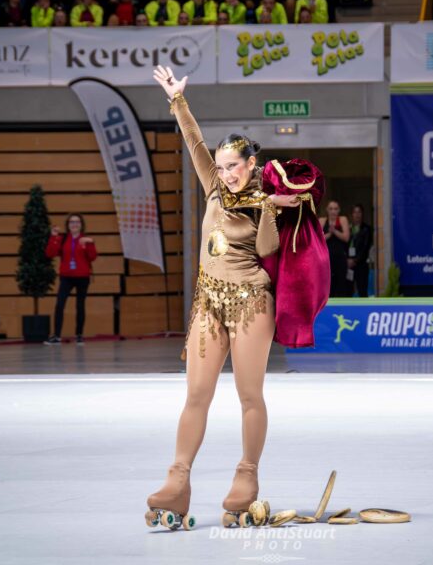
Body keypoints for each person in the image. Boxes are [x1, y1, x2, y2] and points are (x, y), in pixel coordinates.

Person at [145, 64, 304, 530]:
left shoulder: (264, 201)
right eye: (221, 165)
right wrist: (177, 99)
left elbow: (267, 252)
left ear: (250, 164)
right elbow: (194, 140)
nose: (225, 172)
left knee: (249, 394)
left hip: (252, 301)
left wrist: (270, 208)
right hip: (208, 301)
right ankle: (178, 480)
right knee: (196, 393)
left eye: (233, 165)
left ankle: (247, 477)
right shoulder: (213, 186)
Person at [44, 213, 97, 346]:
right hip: (66, 277)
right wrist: (54, 237)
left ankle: (79, 335)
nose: (74, 224)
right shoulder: (62, 239)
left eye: (77, 222)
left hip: (82, 277)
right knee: (60, 305)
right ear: (68, 225)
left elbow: (92, 257)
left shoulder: (85, 239)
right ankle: (56, 336)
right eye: (72, 222)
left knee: (80, 306)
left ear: (81, 224)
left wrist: (90, 243)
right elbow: (50, 253)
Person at [320, 200, 350, 297]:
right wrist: (330, 234)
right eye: (331, 209)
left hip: (340, 257)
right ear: (327, 210)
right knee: (327, 284)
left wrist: (335, 231)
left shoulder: (342, 220)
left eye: (335, 209)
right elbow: (318, 239)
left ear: (339, 210)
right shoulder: (322, 221)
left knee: (341, 283)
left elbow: (346, 237)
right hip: (326, 258)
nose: (333, 211)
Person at [348, 204, 373, 297]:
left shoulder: (367, 229)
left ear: (362, 214)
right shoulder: (348, 228)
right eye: (355, 212)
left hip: (361, 264)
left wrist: (355, 260)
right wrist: (347, 260)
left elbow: (365, 248)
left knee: (362, 290)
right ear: (352, 214)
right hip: (348, 265)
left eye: (359, 212)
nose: (357, 214)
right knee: (348, 290)